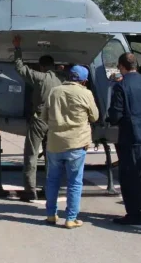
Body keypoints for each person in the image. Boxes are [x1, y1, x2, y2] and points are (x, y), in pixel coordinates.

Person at [42, 64, 99, 228]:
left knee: (52, 180)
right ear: (84, 81)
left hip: (54, 143)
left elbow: (44, 116)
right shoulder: (86, 93)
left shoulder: (54, 91)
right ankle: (71, 218)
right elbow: (94, 116)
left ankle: (51, 214)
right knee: (74, 182)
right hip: (76, 143)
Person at [106, 52, 141, 225]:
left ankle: (134, 214)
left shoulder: (121, 86)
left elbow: (116, 114)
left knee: (130, 177)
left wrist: (109, 119)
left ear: (121, 66)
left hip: (131, 137)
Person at [12, 34, 62, 201]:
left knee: (31, 154)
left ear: (41, 66)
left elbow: (20, 68)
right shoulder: (61, 81)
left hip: (39, 119)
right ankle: (49, 188)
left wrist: (18, 48)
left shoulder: (40, 78)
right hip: (54, 121)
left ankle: (30, 189)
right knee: (51, 157)